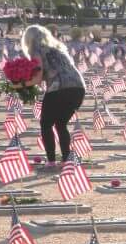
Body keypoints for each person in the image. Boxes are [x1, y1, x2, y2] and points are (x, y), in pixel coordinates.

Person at [21, 25, 86, 166]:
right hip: (78, 88)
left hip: (60, 88)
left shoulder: (37, 51)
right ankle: (66, 160)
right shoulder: (58, 49)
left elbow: (37, 79)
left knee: (46, 124)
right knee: (61, 124)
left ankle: (51, 161)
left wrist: (19, 84)